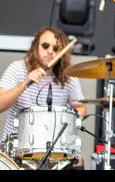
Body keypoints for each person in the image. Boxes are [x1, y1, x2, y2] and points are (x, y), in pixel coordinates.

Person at [0, 26, 87, 168]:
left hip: (54, 151)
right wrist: (25, 83)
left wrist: (71, 122)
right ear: (36, 47)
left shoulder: (68, 77)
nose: (50, 52)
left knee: (77, 161)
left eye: (56, 48)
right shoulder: (17, 69)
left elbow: (80, 107)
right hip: (16, 150)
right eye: (45, 46)